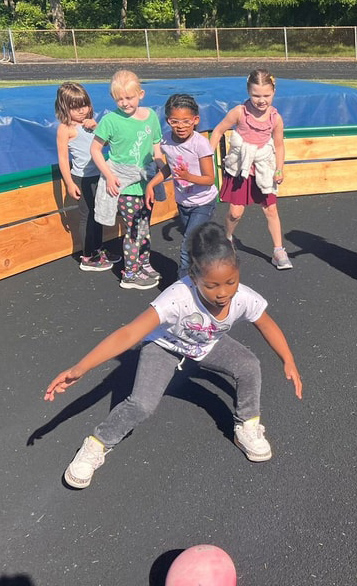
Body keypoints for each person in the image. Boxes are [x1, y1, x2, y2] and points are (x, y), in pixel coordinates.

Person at [44, 221, 303, 489]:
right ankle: (96, 444)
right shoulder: (178, 297)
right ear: (194, 277)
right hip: (165, 345)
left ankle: (247, 426)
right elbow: (130, 333)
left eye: (230, 282)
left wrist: (288, 359)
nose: (223, 293)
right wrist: (79, 368)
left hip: (206, 343)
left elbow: (266, 323)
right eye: (212, 285)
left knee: (249, 366)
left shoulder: (243, 297)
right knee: (142, 404)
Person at [91, 69, 166, 290]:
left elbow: (156, 147)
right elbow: (95, 149)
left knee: (144, 226)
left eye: (129, 97)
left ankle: (143, 262)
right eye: (119, 99)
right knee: (134, 229)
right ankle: (130, 273)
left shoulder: (150, 116)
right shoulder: (111, 120)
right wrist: (109, 175)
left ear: (140, 94)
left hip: (146, 182)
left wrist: (162, 169)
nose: (124, 103)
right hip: (125, 184)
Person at [209, 70, 292, 270]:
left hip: (263, 167)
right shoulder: (239, 112)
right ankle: (227, 238)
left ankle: (278, 250)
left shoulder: (275, 118)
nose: (261, 100)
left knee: (271, 209)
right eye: (256, 95)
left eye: (266, 95)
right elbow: (219, 130)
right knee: (235, 213)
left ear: (273, 92)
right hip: (241, 168)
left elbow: (279, 144)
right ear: (248, 91)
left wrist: (279, 168)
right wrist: (207, 154)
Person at [146, 94, 218, 279]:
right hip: (183, 202)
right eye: (175, 121)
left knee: (187, 245)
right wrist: (152, 184)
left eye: (186, 121)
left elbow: (210, 178)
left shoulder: (200, 144)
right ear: (168, 121)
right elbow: (169, 168)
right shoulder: (167, 142)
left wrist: (188, 176)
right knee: (196, 243)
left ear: (196, 120)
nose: (181, 126)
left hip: (203, 202)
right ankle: (206, 268)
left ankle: (183, 285)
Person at [54, 82, 121, 272]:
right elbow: (62, 158)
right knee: (87, 216)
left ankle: (97, 249)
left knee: (98, 213)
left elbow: (109, 143)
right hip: (82, 178)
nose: (82, 111)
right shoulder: (65, 129)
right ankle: (88, 255)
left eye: (84, 105)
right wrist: (68, 183)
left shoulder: (92, 124)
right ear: (64, 108)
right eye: (75, 107)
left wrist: (98, 126)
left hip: (99, 174)